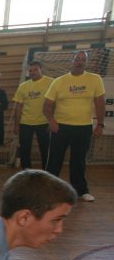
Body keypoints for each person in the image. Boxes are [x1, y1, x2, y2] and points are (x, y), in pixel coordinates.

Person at [43, 50, 105, 202]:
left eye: (83, 59)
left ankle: (81, 191)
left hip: (83, 128)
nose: (79, 61)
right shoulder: (58, 81)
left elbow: (100, 103)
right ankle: (48, 191)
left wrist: (100, 124)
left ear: (86, 63)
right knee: (54, 161)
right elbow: (47, 105)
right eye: (77, 58)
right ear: (72, 60)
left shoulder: (95, 79)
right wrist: (51, 121)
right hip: (61, 127)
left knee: (79, 160)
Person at [13, 62, 53, 170]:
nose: (32, 72)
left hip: (44, 122)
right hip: (26, 123)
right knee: (25, 150)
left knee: (45, 149)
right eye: (30, 70)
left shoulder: (51, 83)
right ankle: (27, 173)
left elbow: (56, 103)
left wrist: (52, 121)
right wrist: (16, 125)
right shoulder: (23, 86)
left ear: (41, 69)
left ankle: (47, 173)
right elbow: (19, 107)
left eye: (35, 70)